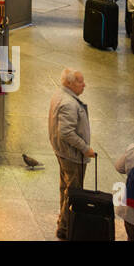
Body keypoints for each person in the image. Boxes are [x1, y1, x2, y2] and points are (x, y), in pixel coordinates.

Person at [48, 67, 95, 241]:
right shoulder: (69, 103)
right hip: (72, 155)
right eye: (80, 82)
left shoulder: (60, 95)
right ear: (69, 83)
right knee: (74, 192)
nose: (85, 85)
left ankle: (63, 220)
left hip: (63, 152)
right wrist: (85, 148)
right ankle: (66, 228)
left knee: (65, 187)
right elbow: (66, 132)